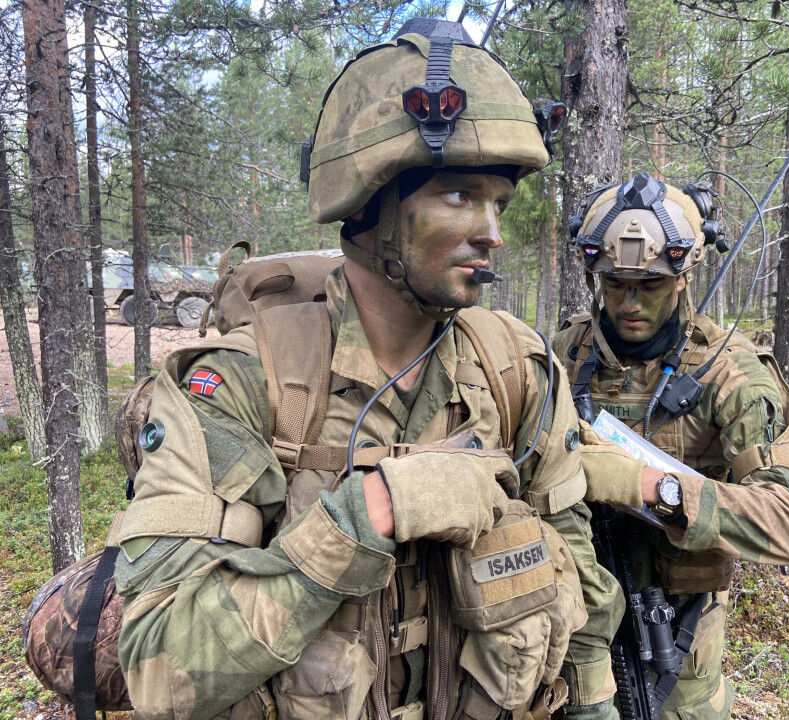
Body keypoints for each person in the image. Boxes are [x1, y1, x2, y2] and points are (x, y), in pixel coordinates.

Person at [112, 19, 625, 720]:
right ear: (367, 206)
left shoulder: (517, 368)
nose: (492, 233)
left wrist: (595, 703)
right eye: (458, 196)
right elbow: (157, 669)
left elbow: (579, 573)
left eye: (498, 202)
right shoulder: (240, 386)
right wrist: (366, 517)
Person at [553, 171, 789, 720]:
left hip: (676, 654)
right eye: (613, 284)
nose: (628, 303)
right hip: (572, 642)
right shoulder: (564, 355)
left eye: (649, 285)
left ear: (683, 276)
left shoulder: (730, 375)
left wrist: (652, 486)